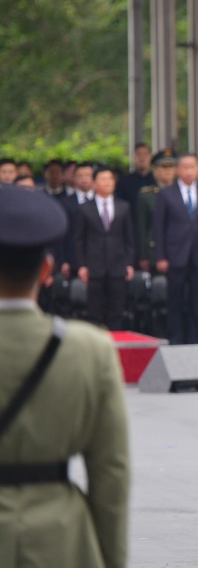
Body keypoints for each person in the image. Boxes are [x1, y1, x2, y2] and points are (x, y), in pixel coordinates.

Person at [0, 186, 130, 568]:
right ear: (46, 270)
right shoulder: (91, 350)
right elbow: (111, 473)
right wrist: (110, 558)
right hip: (59, 539)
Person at [153, 153, 198, 345]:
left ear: (197, 169)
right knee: (175, 300)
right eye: (185, 167)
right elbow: (159, 228)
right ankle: (176, 339)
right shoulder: (166, 194)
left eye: (192, 167)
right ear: (178, 170)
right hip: (175, 255)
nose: (188, 171)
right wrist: (161, 256)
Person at [74, 167, 134, 331]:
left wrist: (128, 263)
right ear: (94, 183)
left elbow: (129, 238)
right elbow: (79, 239)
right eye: (103, 179)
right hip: (94, 266)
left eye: (110, 179)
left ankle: (117, 347)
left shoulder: (124, 206)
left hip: (117, 265)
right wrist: (82, 265)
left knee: (117, 310)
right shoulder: (85, 208)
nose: (107, 182)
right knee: (94, 311)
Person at [135, 148, 178, 273]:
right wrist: (143, 255)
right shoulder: (146, 195)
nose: (168, 170)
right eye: (164, 166)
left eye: (171, 166)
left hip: (179, 251)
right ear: (155, 170)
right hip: (154, 251)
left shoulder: (182, 194)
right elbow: (141, 228)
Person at [115, 142, 154, 211]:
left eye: (145, 154)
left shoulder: (156, 180)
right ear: (133, 157)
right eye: (138, 154)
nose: (142, 157)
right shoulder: (125, 181)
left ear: (150, 157)